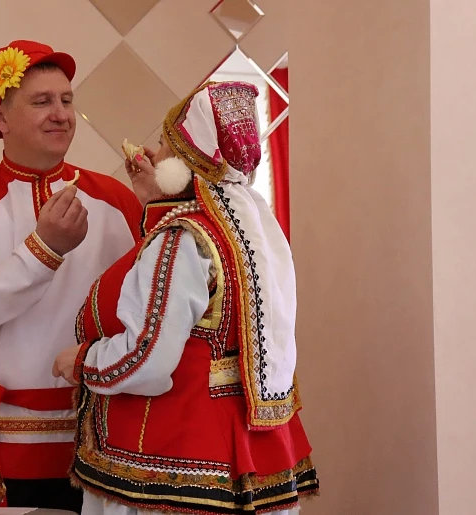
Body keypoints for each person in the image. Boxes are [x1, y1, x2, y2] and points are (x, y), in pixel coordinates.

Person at [53, 81, 318, 515]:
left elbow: (149, 358)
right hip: (239, 448)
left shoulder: (181, 239)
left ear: (186, 161)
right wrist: (158, 200)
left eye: (164, 144)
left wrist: (83, 361)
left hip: (174, 450)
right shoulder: (252, 229)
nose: (154, 154)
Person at [0, 40, 143, 512]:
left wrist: (160, 207)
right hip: (4, 447)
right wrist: (43, 250)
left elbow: (153, 309)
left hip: (105, 440)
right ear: (0, 117)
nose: (61, 114)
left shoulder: (118, 200)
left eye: (66, 100)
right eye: (42, 101)